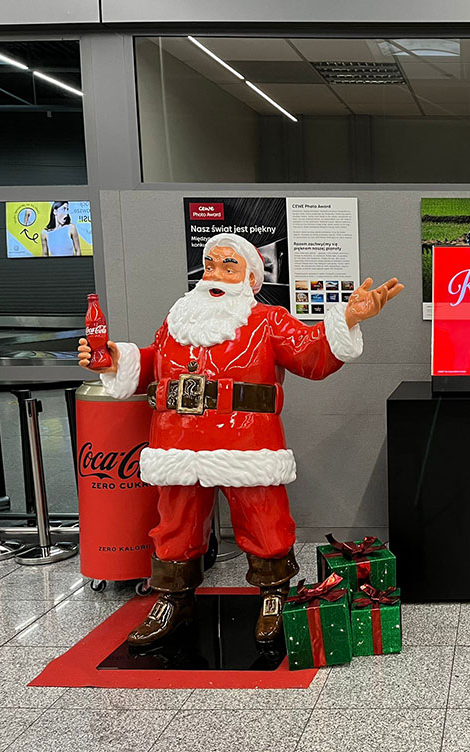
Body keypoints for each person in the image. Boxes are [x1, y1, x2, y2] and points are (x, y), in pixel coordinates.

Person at [77, 232, 403, 648]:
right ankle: (174, 597)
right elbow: (150, 363)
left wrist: (348, 319)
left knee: (262, 517)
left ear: (251, 278)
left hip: (246, 442)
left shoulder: (268, 321)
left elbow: (311, 354)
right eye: (210, 265)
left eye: (228, 266)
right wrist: (116, 359)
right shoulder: (178, 321)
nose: (215, 274)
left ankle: (273, 591)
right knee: (174, 521)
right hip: (177, 441)